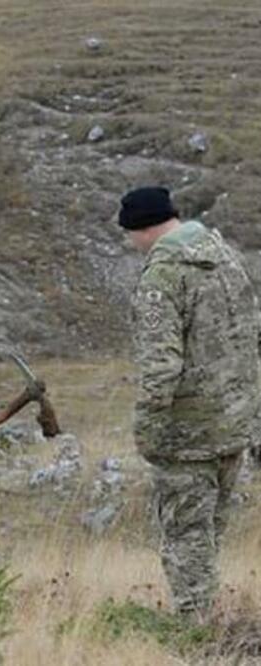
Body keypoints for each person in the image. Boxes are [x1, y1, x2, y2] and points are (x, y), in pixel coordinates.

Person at [120, 186, 261, 619]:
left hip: (187, 434)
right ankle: (210, 622)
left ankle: (196, 632)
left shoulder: (162, 277)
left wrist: (146, 429)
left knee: (185, 537)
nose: (129, 243)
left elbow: (160, 368)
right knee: (209, 534)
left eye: (129, 233)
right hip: (234, 424)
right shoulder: (226, 259)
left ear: (141, 228)